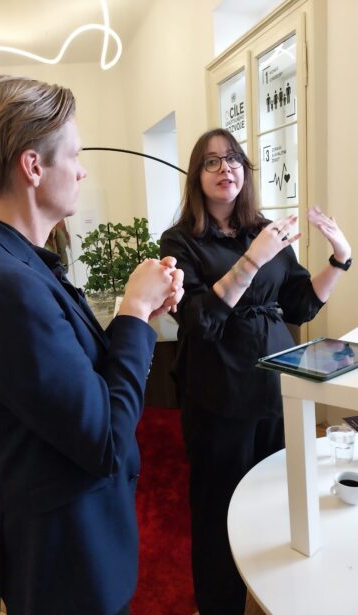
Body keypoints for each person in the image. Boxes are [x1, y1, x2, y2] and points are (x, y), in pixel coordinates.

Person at [0, 74, 184, 615]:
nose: (81, 170)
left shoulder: (14, 264)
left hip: (73, 547)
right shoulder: (3, 284)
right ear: (33, 167)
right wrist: (133, 311)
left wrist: (143, 316)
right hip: (66, 565)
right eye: (74, 155)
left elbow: (79, 379)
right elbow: (104, 441)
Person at [159, 127, 351, 615]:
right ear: (196, 176)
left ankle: (268, 596)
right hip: (218, 392)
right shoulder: (180, 241)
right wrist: (252, 259)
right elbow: (200, 321)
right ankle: (219, 605)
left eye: (233, 159)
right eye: (212, 161)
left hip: (276, 385)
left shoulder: (262, 230)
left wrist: (340, 259)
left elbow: (300, 304)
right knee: (218, 507)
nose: (225, 168)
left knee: (273, 499)